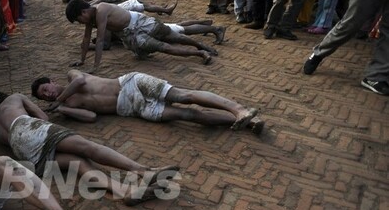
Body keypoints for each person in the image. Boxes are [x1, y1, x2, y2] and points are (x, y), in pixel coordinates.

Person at [0, 90, 180, 207]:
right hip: (29, 128)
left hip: (24, 152)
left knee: (77, 164)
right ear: (2, 98)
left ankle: (124, 191)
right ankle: (143, 171)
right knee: (88, 147)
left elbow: (9, 142)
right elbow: (43, 118)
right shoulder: (14, 98)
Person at [31, 69, 263, 133]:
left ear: (51, 81)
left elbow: (81, 81)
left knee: (183, 96)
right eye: (44, 96)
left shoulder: (72, 76)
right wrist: (62, 108)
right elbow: (91, 117)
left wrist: (59, 99)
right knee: (187, 115)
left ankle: (238, 109)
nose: (48, 94)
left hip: (131, 83)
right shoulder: (68, 105)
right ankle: (246, 123)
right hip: (132, 108)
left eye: (45, 89)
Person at [65, 0, 225, 70]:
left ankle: (202, 45)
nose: (81, 23)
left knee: (175, 36)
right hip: (132, 35)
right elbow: (86, 40)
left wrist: (95, 66)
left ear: (84, 11)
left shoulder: (101, 10)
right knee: (165, 48)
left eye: (79, 19)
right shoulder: (89, 18)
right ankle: (200, 52)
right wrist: (81, 60)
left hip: (141, 23)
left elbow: (99, 41)